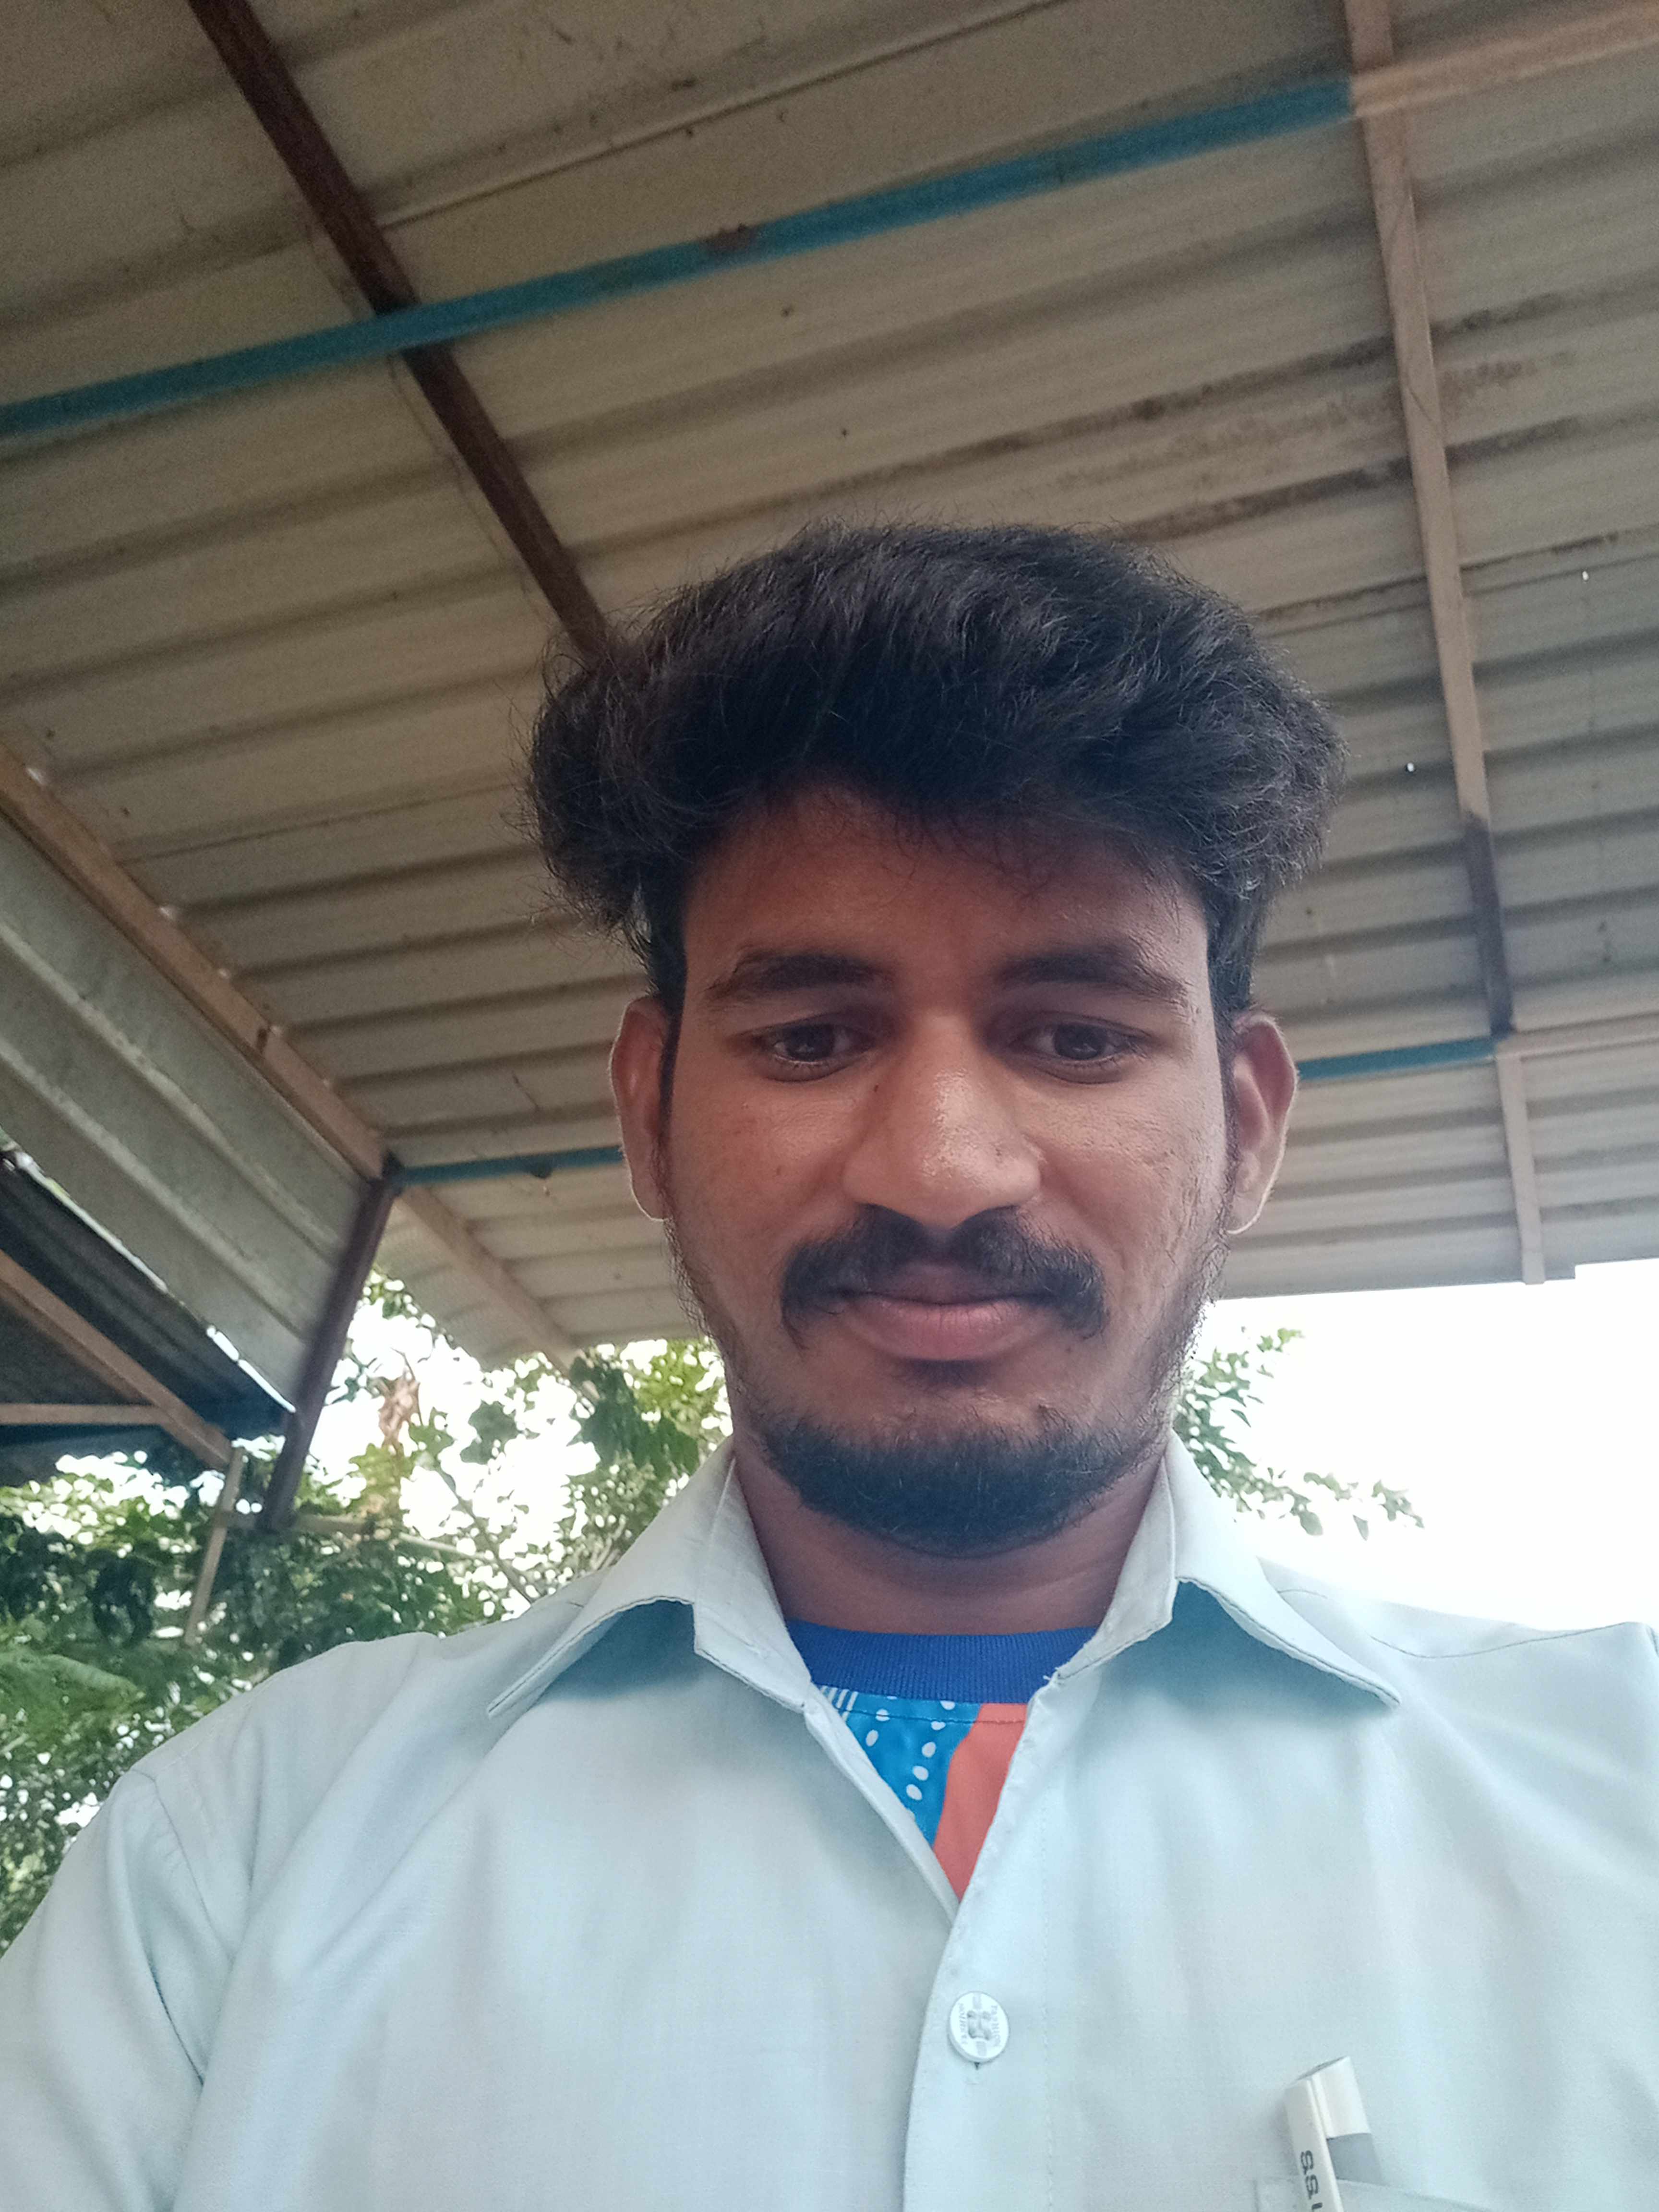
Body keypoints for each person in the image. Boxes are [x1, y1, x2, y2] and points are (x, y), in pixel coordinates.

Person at [1, 524, 1654, 2212]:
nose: (940, 1171)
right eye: (810, 1039)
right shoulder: (240, 1854)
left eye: (1077, 1037)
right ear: (648, 1114)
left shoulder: (1623, 1788)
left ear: (1244, 1129)